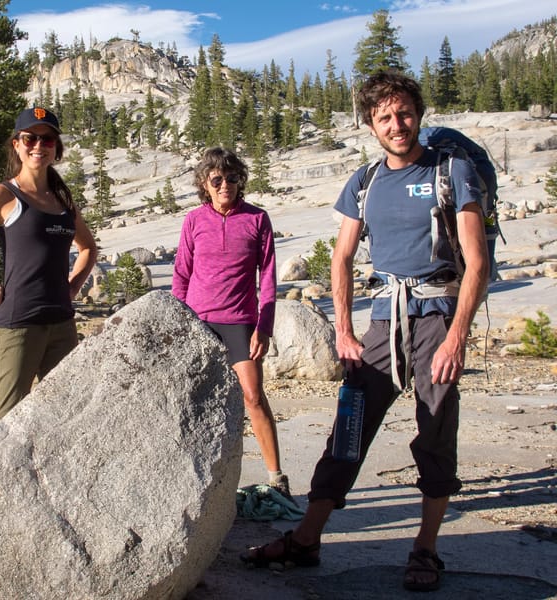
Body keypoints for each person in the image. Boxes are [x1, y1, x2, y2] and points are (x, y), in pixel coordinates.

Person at [241, 71, 489, 593]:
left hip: (436, 315)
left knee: (435, 428)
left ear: (418, 115)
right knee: (348, 426)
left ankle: (426, 548)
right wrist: (344, 331)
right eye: (384, 117)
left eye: (404, 113)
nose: (397, 125)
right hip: (383, 320)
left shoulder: (452, 171)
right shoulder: (365, 181)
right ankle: (307, 539)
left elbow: (476, 262)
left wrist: (456, 337)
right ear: (370, 125)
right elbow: (342, 257)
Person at [0, 107, 97, 424]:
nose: (38, 146)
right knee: (6, 419)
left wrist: (74, 286)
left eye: (47, 139)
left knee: (67, 414)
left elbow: (88, 247)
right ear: (17, 144)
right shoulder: (2, 196)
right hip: (18, 323)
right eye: (30, 138)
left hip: (62, 323)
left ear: (56, 147)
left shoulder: (63, 201)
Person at [172, 146, 294, 501]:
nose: (225, 185)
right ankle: (192, 483)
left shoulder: (257, 219)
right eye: (217, 179)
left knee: (253, 396)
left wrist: (264, 327)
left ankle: (277, 478)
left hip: (240, 321)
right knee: (194, 401)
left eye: (232, 178)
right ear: (204, 184)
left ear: (241, 181)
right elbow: (181, 274)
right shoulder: (194, 221)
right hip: (199, 322)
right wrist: (180, 322)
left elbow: (267, 277)